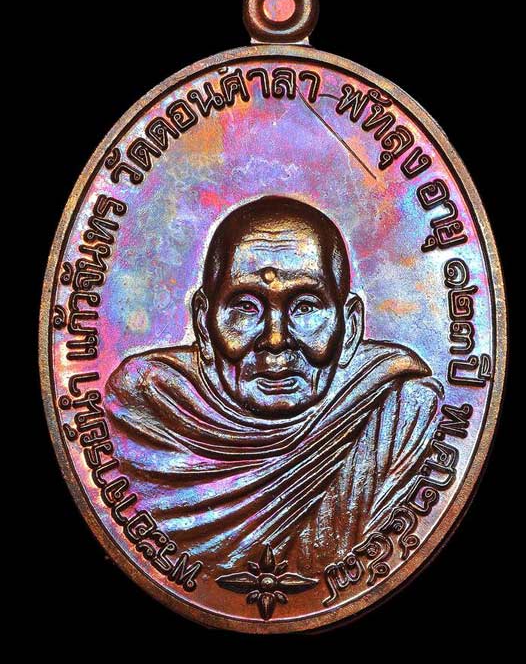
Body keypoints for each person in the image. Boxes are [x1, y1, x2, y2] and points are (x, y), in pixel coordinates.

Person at [105, 196, 443, 575]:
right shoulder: (148, 405)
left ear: (349, 328)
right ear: (203, 323)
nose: (276, 339)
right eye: (246, 306)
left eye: (306, 307)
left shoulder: (398, 412)